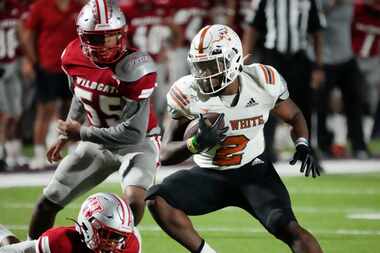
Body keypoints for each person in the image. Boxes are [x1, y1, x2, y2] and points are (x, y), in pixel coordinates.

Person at [146, 24, 322, 253]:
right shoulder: (188, 92)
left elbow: (295, 115)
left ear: (233, 59)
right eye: (199, 67)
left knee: (291, 230)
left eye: (211, 66)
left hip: (254, 172)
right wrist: (195, 144)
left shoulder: (261, 81)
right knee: (157, 200)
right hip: (208, 174)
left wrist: (302, 143)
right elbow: (164, 153)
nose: (204, 75)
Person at [27, 0, 161, 240]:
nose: (103, 45)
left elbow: (133, 133)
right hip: (97, 140)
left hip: (137, 143)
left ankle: (118, 247)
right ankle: (33, 247)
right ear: (81, 37)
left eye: (109, 37)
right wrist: (65, 135)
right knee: (47, 203)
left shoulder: (135, 68)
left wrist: (80, 133)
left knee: (133, 203)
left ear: (122, 34)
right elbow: (81, 96)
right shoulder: (72, 55)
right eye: (94, 38)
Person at [242, 0, 326, 162]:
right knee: (266, 104)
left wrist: (318, 66)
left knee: (304, 105)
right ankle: (265, 149)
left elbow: (317, 32)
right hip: (272, 56)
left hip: (299, 57)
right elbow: (253, 28)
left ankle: (304, 148)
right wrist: (244, 62)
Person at [21, 0, 85, 170]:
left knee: (71, 111)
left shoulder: (78, 6)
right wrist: (32, 62)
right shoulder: (41, 6)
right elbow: (29, 36)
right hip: (47, 65)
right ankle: (38, 153)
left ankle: (73, 153)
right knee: (45, 110)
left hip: (72, 67)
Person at [0, 192, 141, 253]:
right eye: (106, 234)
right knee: (12, 246)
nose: (112, 243)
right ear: (87, 225)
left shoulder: (130, 244)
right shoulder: (60, 242)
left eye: (117, 237)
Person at [0, 0, 28, 171]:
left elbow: (20, 35)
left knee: (15, 112)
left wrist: (24, 59)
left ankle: (12, 154)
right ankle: (3, 153)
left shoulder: (14, 7)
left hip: (12, 63)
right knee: (2, 114)